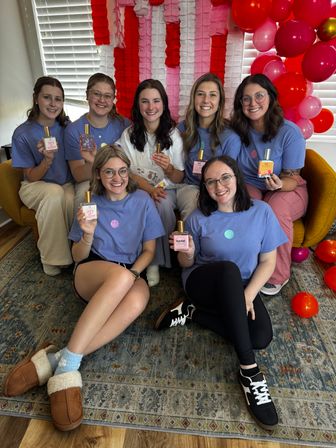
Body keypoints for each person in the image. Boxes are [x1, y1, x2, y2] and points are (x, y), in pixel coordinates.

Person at [3, 145, 165, 431]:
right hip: (91, 271)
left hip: (129, 272)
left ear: (129, 173)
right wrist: (87, 235)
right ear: (99, 175)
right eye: (109, 172)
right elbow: (78, 256)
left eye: (122, 171)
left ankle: (58, 358)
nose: (117, 177)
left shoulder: (142, 201)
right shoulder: (90, 204)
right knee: (121, 280)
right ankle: (67, 372)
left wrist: (134, 274)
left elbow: (149, 250)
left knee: (139, 299)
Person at [155, 156, 287, 430]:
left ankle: (192, 313)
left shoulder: (261, 211)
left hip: (242, 288)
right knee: (227, 270)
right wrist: (188, 253)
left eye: (225, 177)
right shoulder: (197, 218)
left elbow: (268, 262)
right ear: (204, 187)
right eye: (211, 181)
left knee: (261, 337)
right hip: (202, 283)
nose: (219, 185)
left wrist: (248, 296)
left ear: (237, 177)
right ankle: (250, 374)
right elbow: (186, 265)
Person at [229, 74, 308, 295]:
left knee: (275, 208)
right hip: (252, 185)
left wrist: (279, 183)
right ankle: (249, 267)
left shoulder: (289, 132)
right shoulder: (237, 131)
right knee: (249, 205)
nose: (253, 103)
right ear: (240, 104)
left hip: (288, 188)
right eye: (246, 99)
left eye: (259, 96)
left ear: (271, 98)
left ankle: (278, 275)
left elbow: (293, 178)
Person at [117, 79, 185, 287]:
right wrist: (149, 189)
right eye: (145, 101)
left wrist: (169, 169)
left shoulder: (173, 134)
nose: (150, 107)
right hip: (137, 187)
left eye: (156, 101)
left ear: (163, 104)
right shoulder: (129, 135)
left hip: (167, 189)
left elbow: (179, 178)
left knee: (163, 205)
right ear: (138, 105)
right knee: (141, 203)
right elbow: (125, 171)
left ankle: (156, 260)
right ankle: (144, 258)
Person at [11, 76, 74, 276]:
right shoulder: (22, 133)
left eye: (58, 99)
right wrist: (46, 161)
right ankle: (52, 260)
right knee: (54, 193)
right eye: (47, 97)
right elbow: (30, 177)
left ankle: (75, 255)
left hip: (64, 184)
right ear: (36, 98)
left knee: (73, 199)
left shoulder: (67, 127)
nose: (53, 104)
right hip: (34, 185)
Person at [177, 72, 240, 219]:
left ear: (220, 102)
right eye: (200, 94)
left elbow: (227, 179)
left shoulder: (231, 137)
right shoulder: (182, 129)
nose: (206, 100)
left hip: (216, 189)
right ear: (194, 99)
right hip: (188, 186)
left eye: (212, 95)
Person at [64, 72, 130, 210]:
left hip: (120, 179)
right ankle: (83, 231)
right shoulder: (74, 130)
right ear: (87, 95)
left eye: (107, 96)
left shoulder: (124, 125)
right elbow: (78, 175)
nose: (102, 100)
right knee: (84, 195)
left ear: (113, 99)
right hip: (90, 180)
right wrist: (93, 162)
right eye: (97, 94)